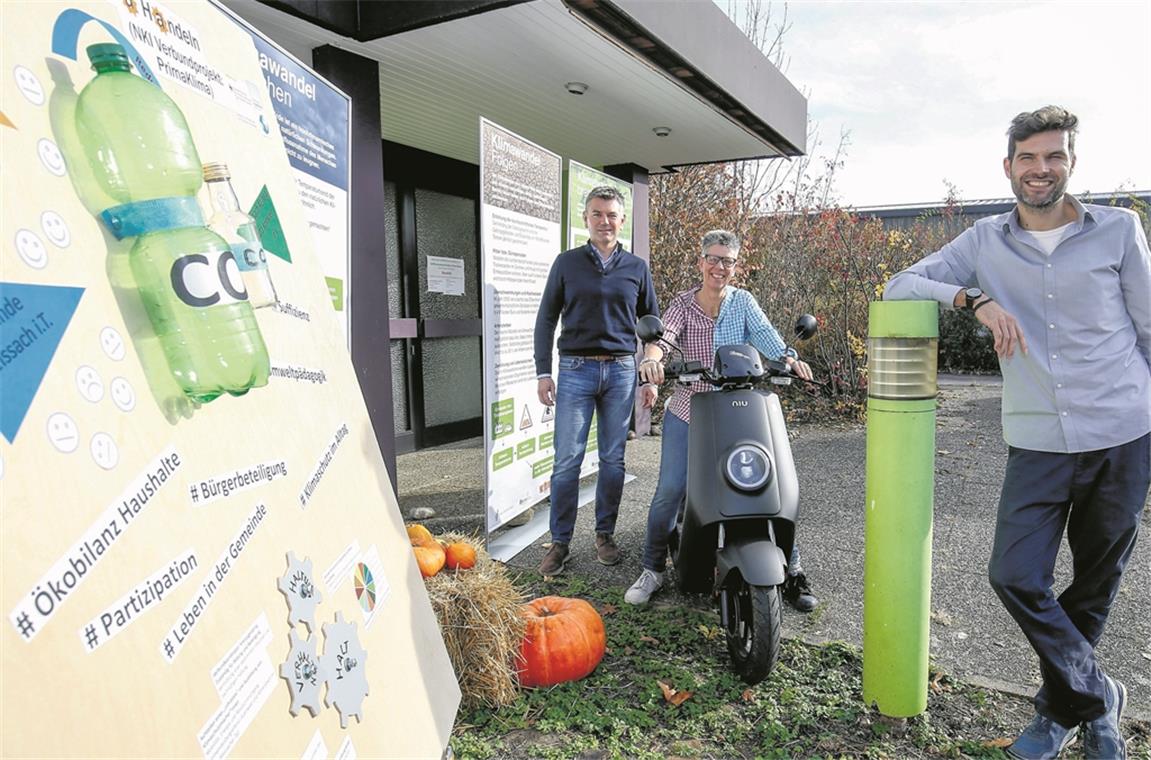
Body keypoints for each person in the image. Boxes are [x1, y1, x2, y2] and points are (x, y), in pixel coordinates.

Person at [884, 106, 1150, 760]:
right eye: (1028, 157)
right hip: (1036, 439)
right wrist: (973, 300)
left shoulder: (1118, 230)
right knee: (1013, 573)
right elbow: (897, 285)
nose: (1040, 169)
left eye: (1053, 156)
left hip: (1122, 432)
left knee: (1092, 584)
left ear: (1069, 163)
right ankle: (1096, 696)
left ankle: (1056, 717)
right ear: (1008, 167)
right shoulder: (982, 242)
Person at [624, 229, 819, 612]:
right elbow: (662, 339)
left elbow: (767, 336)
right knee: (671, 490)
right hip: (690, 409)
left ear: (736, 266)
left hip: (739, 409)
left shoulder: (743, 301)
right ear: (701, 262)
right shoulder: (683, 304)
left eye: (727, 261)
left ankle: (792, 568)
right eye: (712, 258)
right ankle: (652, 568)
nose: (719, 267)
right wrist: (652, 358)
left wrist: (790, 357)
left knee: (768, 484)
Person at [533, 186, 659, 575]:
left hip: (622, 371)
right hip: (575, 371)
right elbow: (546, 319)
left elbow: (652, 326)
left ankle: (605, 534)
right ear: (585, 219)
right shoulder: (566, 263)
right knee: (567, 462)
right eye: (597, 214)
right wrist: (542, 370)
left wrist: (649, 373)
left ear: (622, 221)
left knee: (612, 460)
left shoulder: (637, 268)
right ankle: (560, 542)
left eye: (612, 215)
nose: (605, 221)